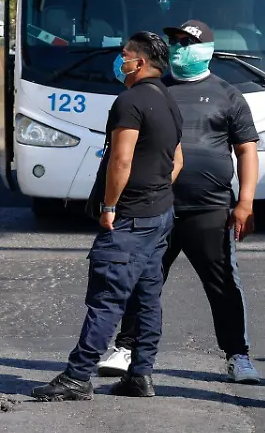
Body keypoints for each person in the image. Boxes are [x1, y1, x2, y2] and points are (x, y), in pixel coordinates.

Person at [96, 20, 264, 385]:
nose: (178, 47)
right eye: (174, 41)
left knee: (222, 284)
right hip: (156, 207)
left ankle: (237, 355)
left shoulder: (227, 95)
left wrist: (246, 202)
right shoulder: (156, 90)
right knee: (142, 280)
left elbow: (246, 150)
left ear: (207, 50)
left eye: (187, 42)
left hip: (210, 208)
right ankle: (126, 348)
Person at [31, 32, 183, 401]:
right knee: (147, 299)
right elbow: (177, 161)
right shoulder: (169, 100)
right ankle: (140, 374)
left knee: (107, 298)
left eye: (124, 55)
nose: (120, 60)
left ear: (140, 63)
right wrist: (156, 192)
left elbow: (121, 159)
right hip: (159, 214)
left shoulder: (129, 102)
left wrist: (111, 205)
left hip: (130, 218)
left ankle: (77, 376)